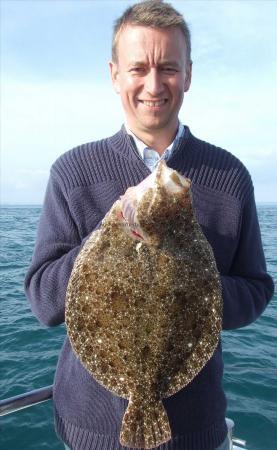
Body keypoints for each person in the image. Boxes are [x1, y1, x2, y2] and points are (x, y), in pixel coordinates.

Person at [24, 1, 274, 450]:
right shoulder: (73, 172)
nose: (153, 85)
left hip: (197, 430)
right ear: (115, 74)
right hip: (90, 432)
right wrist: (108, 233)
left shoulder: (230, 176)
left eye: (169, 68)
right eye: (138, 68)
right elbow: (43, 300)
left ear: (189, 74)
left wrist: (194, 286)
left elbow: (256, 291)